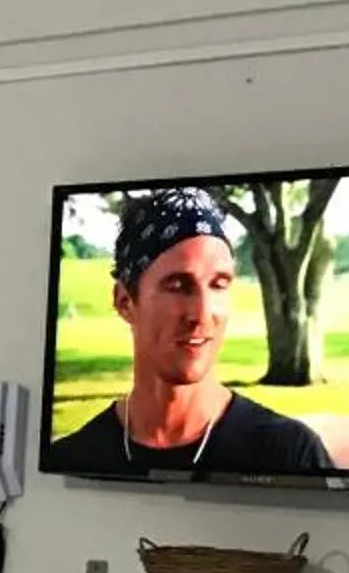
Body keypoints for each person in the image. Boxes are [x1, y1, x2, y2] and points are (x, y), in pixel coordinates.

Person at [52, 186, 334, 475]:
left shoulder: (290, 455)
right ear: (125, 301)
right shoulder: (71, 462)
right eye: (177, 286)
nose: (201, 314)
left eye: (218, 285)